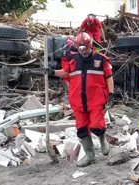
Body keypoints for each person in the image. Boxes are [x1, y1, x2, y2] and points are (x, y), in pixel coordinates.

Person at [46, 32, 114, 167]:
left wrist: (111, 95)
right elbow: (66, 72)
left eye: (86, 49)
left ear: (91, 46)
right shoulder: (74, 60)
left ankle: (102, 140)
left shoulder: (101, 60)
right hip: (78, 101)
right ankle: (90, 155)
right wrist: (52, 72)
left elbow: (109, 77)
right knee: (82, 129)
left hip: (96, 100)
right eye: (80, 49)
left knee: (96, 126)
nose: (83, 52)